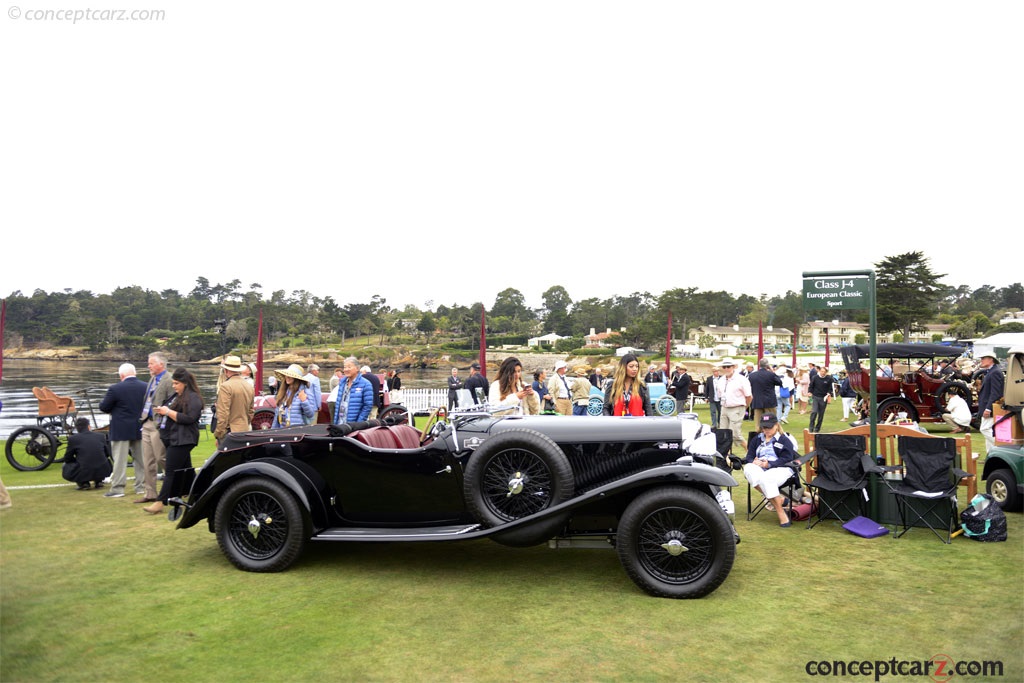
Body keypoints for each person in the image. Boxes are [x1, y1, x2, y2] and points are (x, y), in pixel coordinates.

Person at [143, 367, 204, 516]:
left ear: (185, 383)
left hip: (183, 439)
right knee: (186, 469)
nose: (173, 386)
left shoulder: (194, 398)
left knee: (170, 471)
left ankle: (160, 502)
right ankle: (199, 492)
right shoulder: (177, 396)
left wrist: (168, 412)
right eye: (173, 383)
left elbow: (190, 418)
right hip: (174, 438)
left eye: (176, 383)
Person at [98, 363, 148, 499]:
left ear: (121, 375)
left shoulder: (115, 389)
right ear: (135, 373)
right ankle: (141, 487)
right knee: (141, 460)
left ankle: (118, 488)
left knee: (120, 461)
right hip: (140, 427)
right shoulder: (146, 387)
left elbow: (104, 407)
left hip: (120, 429)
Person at [742, 414, 798, 527]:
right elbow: (749, 456)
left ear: (777, 425)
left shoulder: (784, 440)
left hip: (780, 468)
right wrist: (754, 461)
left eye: (769, 427)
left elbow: (787, 459)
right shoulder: (757, 439)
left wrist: (769, 464)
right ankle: (780, 500)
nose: (766, 430)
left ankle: (780, 512)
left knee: (766, 479)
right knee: (748, 468)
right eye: (764, 427)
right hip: (760, 467)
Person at [136, 352, 173, 504]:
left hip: (159, 424)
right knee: (148, 460)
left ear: (161, 364)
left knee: (161, 458)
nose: (148, 366)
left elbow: (173, 402)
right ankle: (150, 493)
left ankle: (174, 488)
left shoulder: (169, 380)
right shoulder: (152, 379)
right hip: (146, 422)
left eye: (151, 363)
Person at [213, 355, 255, 446]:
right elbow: (251, 412)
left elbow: (223, 413)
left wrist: (219, 433)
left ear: (226, 370)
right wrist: (244, 424)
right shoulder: (249, 386)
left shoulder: (226, 387)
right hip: (244, 430)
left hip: (230, 432)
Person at [63, 417, 112, 490]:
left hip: (84, 469)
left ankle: (83, 483)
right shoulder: (100, 436)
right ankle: (99, 481)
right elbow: (107, 453)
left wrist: (76, 460)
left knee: (65, 465)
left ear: (77, 428)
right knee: (102, 460)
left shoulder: (73, 439)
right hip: (104, 468)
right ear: (89, 426)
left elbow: (67, 458)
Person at [718, 358, 752, 450]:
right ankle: (725, 457)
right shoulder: (721, 380)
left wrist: (744, 408)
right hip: (724, 407)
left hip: (737, 408)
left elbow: (749, 396)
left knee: (735, 435)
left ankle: (750, 453)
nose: (726, 369)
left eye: (728, 366)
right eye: (724, 367)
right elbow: (720, 394)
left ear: (734, 367)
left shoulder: (741, 379)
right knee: (723, 434)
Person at [975, 352, 1005, 452]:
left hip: (990, 407)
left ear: (990, 359)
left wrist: (988, 408)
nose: (981, 360)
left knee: (984, 429)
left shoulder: (995, 372)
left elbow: (995, 393)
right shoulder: (991, 371)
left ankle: (1002, 447)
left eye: (983, 358)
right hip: (986, 406)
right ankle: (991, 455)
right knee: (988, 431)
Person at [273, 364, 316, 428]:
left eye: (290, 375)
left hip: (297, 431)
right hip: (282, 431)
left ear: (296, 378)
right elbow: (277, 417)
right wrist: (273, 431)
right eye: (286, 375)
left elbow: (310, 414)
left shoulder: (305, 392)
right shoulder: (284, 392)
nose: (287, 377)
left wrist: (304, 401)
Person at [333, 357, 374, 424]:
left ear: (357, 368)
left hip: (354, 425)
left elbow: (368, 406)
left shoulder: (366, 384)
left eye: (349, 367)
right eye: (345, 367)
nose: (346, 369)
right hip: (340, 423)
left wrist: (358, 423)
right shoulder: (342, 383)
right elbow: (338, 404)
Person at [747, 358, 782, 426]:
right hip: (769, 401)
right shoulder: (771, 375)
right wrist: (772, 371)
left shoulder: (752, 376)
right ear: (767, 365)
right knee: (772, 421)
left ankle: (759, 434)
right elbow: (779, 382)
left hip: (757, 401)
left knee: (758, 422)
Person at [807, 364, 833, 433]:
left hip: (823, 398)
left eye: (824, 371)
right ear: (819, 371)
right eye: (821, 371)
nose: (822, 373)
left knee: (821, 414)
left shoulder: (829, 378)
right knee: (814, 412)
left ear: (826, 372)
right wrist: (809, 392)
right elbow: (811, 386)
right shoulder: (815, 377)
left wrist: (829, 393)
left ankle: (817, 428)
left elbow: (831, 388)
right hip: (815, 397)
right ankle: (811, 427)